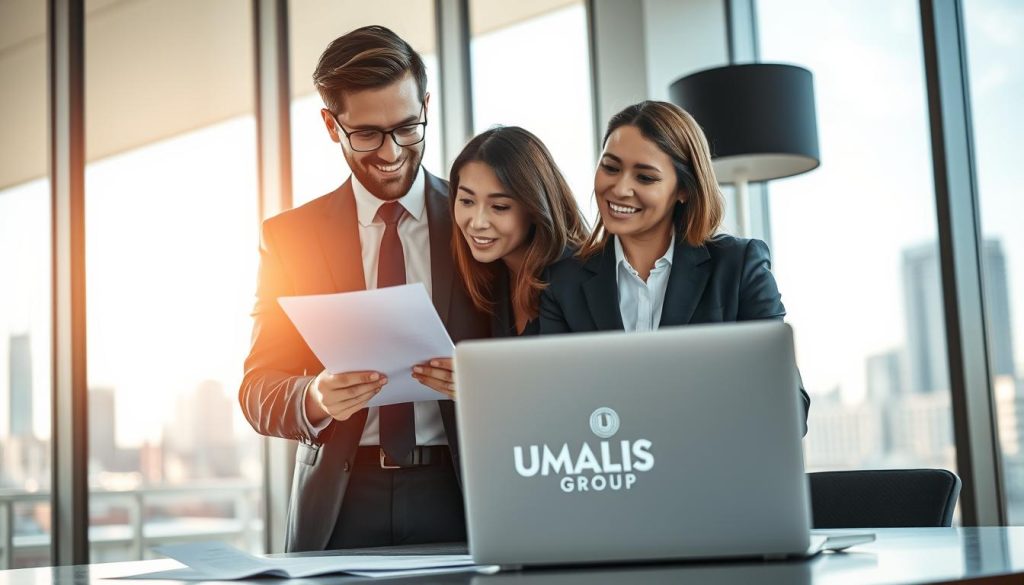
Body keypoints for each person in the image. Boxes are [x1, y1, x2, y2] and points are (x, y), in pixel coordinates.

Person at [238, 25, 490, 552]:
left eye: (407, 127)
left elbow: (539, 356)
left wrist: (486, 386)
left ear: (426, 105)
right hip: (341, 500)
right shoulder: (290, 239)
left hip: (464, 489)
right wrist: (314, 397)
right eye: (368, 134)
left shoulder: (480, 223)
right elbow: (257, 390)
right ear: (332, 125)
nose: (392, 151)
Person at [538, 100, 810, 432]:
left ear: (682, 189)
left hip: (712, 471)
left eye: (645, 177)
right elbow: (553, 409)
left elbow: (790, 409)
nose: (620, 188)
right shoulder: (563, 282)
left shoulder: (739, 268)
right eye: (610, 167)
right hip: (611, 472)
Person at [411, 126, 589, 396]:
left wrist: (487, 389)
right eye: (467, 201)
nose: (478, 222)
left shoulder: (579, 279)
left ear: (534, 208)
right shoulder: (495, 278)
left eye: (500, 207)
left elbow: (590, 397)